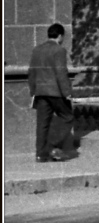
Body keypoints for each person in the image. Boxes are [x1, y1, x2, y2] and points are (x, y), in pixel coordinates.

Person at [28, 23, 76, 163]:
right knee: (68, 117)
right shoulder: (59, 50)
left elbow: (32, 72)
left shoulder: (37, 50)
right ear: (60, 36)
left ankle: (40, 154)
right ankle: (52, 146)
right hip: (56, 92)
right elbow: (61, 73)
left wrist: (33, 91)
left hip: (40, 92)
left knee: (42, 123)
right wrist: (67, 92)